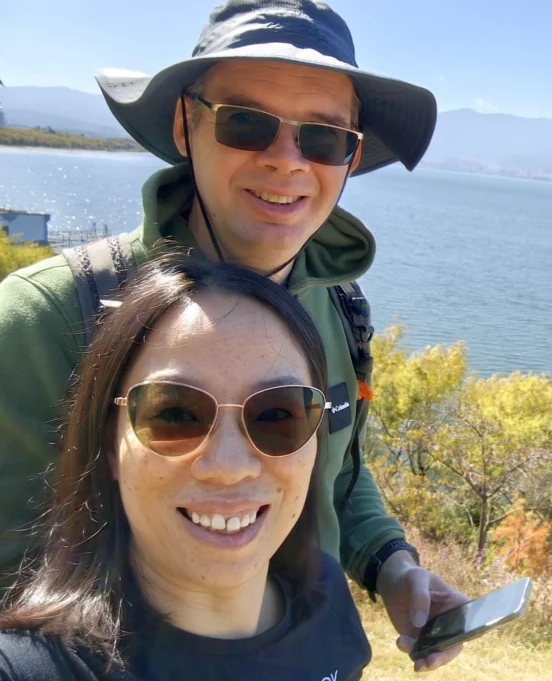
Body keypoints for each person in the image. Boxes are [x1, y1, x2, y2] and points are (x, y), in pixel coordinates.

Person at [0, 0, 465, 672]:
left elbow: (335, 471)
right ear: (185, 125)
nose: (287, 159)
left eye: (323, 136)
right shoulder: (46, 318)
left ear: (350, 155)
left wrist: (392, 566)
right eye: (247, 123)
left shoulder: (336, 309)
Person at [0, 256, 373, 679]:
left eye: (277, 415)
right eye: (175, 415)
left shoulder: (327, 601)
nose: (229, 467)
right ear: (108, 443)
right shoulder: (28, 670)